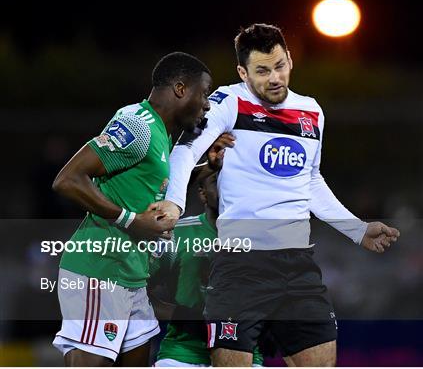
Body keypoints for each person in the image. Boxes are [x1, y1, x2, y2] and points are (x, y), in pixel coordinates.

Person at [158, 24, 400, 367]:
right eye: (262, 70)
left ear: (289, 60)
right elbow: (186, 150)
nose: (274, 78)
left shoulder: (311, 111)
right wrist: (175, 202)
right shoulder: (228, 102)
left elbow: (311, 180)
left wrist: (356, 229)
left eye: (280, 65)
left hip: (297, 265)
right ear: (243, 72)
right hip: (241, 266)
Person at [51, 52, 212, 367]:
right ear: (181, 88)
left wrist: (205, 168)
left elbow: (148, 186)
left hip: (131, 276)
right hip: (100, 270)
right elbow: (68, 180)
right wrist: (131, 220)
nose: (206, 104)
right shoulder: (137, 126)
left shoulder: (161, 134)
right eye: (203, 93)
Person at [149, 172, 263, 367]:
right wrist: (179, 316)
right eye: (217, 181)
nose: (227, 187)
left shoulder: (264, 239)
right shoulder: (177, 234)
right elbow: (134, 289)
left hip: (247, 355)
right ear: (202, 193)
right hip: (182, 354)